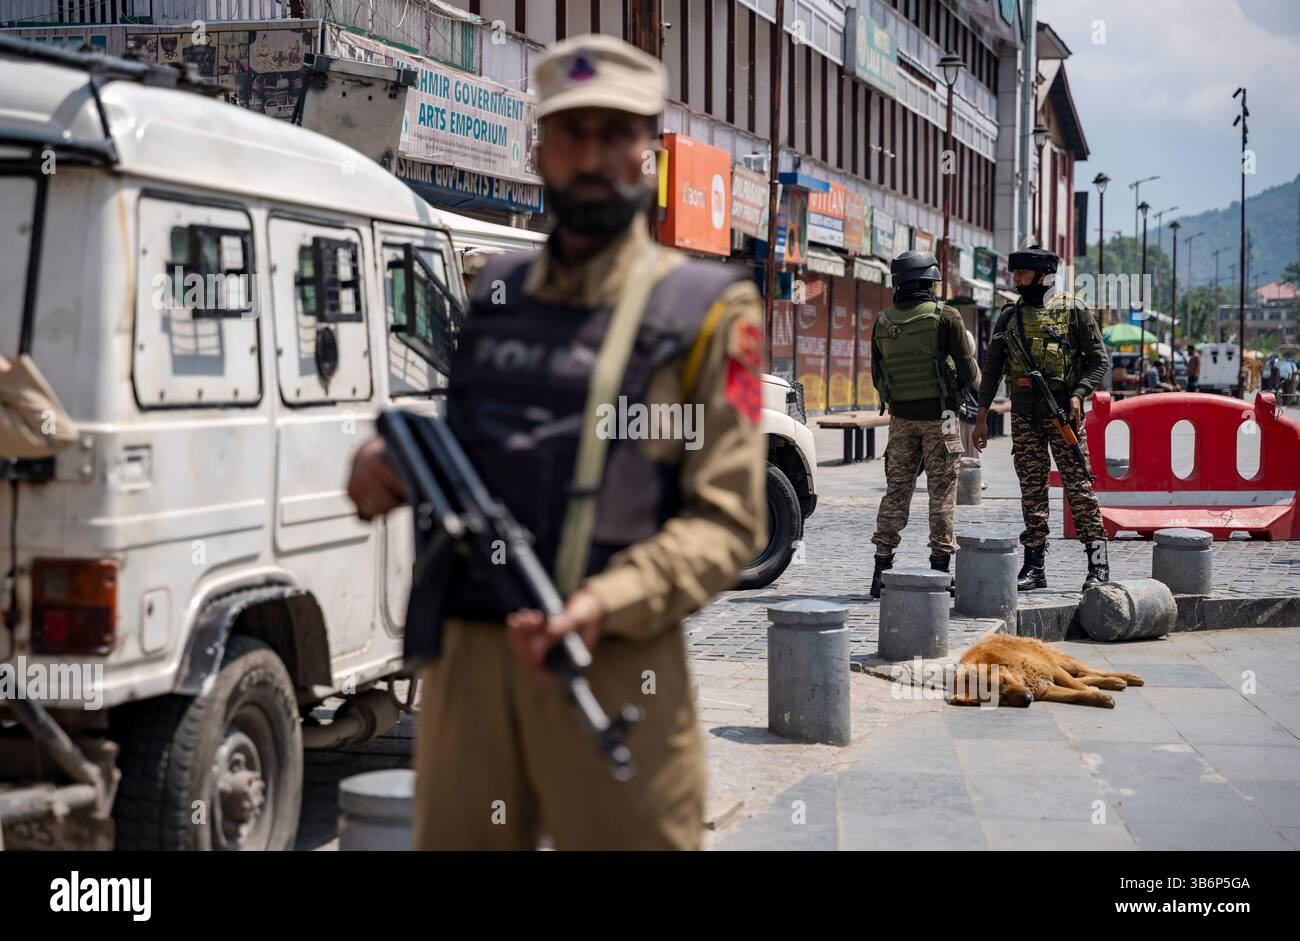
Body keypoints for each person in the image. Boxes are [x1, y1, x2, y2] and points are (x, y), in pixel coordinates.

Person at [345, 34, 765, 850]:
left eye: (618, 133)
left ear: (650, 152)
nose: (595, 155)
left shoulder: (707, 310)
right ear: (540, 150)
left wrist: (602, 604)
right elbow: (468, 450)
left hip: (610, 660)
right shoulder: (495, 290)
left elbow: (730, 521)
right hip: (468, 660)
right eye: (574, 133)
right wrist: (387, 469)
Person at [972, 247, 1110, 592]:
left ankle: (1098, 564)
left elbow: (1099, 361)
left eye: (1022, 273)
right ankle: (1034, 566)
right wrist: (981, 415)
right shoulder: (1009, 317)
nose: (1016, 279)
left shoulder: (1074, 311)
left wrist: (1079, 394)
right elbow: (992, 370)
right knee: (1032, 491)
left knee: (1078, 488)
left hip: (1062, 412)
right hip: (1024, 415)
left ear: (1042, 274)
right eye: (1014, 272)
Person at [868, 250, 980, 598]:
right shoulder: (946, 317)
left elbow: (878, 375)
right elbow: (967, 373)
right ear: (927, 282)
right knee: (942, 495)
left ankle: (881, 570)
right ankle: (939, 571)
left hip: (901, 419)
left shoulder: (882, 321)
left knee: (896, 493)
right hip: (942, 418)